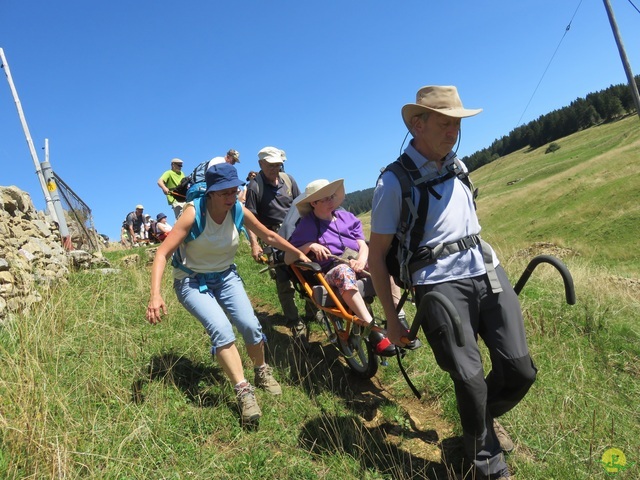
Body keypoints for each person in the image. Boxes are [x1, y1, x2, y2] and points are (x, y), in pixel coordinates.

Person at [368, 85, 537, 480]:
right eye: (445, 123)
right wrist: (392, 319)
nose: (454, 131)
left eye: (457, 123)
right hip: (438, 285)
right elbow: (376, 256)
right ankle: (486, 464)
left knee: (520, 370)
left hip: (487, 271)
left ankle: (477, 422)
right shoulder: (392, 183)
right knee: (469, 379)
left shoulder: (458, 167)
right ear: (418, 124)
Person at [146, 163, 310, 425]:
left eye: (234, 191)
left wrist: (299, 252)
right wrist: (155, 294)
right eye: (224, 193)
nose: (231, 197)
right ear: (210, 192)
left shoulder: (237, 209)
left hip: (225, 276)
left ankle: (261, 371)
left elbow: (267, 234)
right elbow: (162, 253)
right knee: (222, 330)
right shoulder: (192, 214)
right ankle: (244, 391)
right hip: (191, 280)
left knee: (251, 325)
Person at [285, 179, 396, 357]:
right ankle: (372, 330)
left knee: (383, 264)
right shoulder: (307, 224)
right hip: (332, 270)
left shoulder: (346, 217)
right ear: (313, 203)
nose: (332, 202)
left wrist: (361, 260)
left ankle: (398, 318)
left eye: (332, 197)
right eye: (325, 199)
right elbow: (289, 256)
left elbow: (362, 244)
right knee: (343, 272)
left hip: (356, 262)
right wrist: (310, 246)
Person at [244, 146, 312, 343]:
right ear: (261, 164)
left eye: (278, 165)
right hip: (272, 236)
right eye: (271, 165)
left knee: (309, 270)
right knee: (284, 280)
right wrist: (254, 244)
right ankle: (294, 321)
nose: (276, 168)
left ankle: (312, 310)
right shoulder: (255, 187)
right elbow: (250, 219)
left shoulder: (288, 180)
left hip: (296, 233)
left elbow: (302, 204)